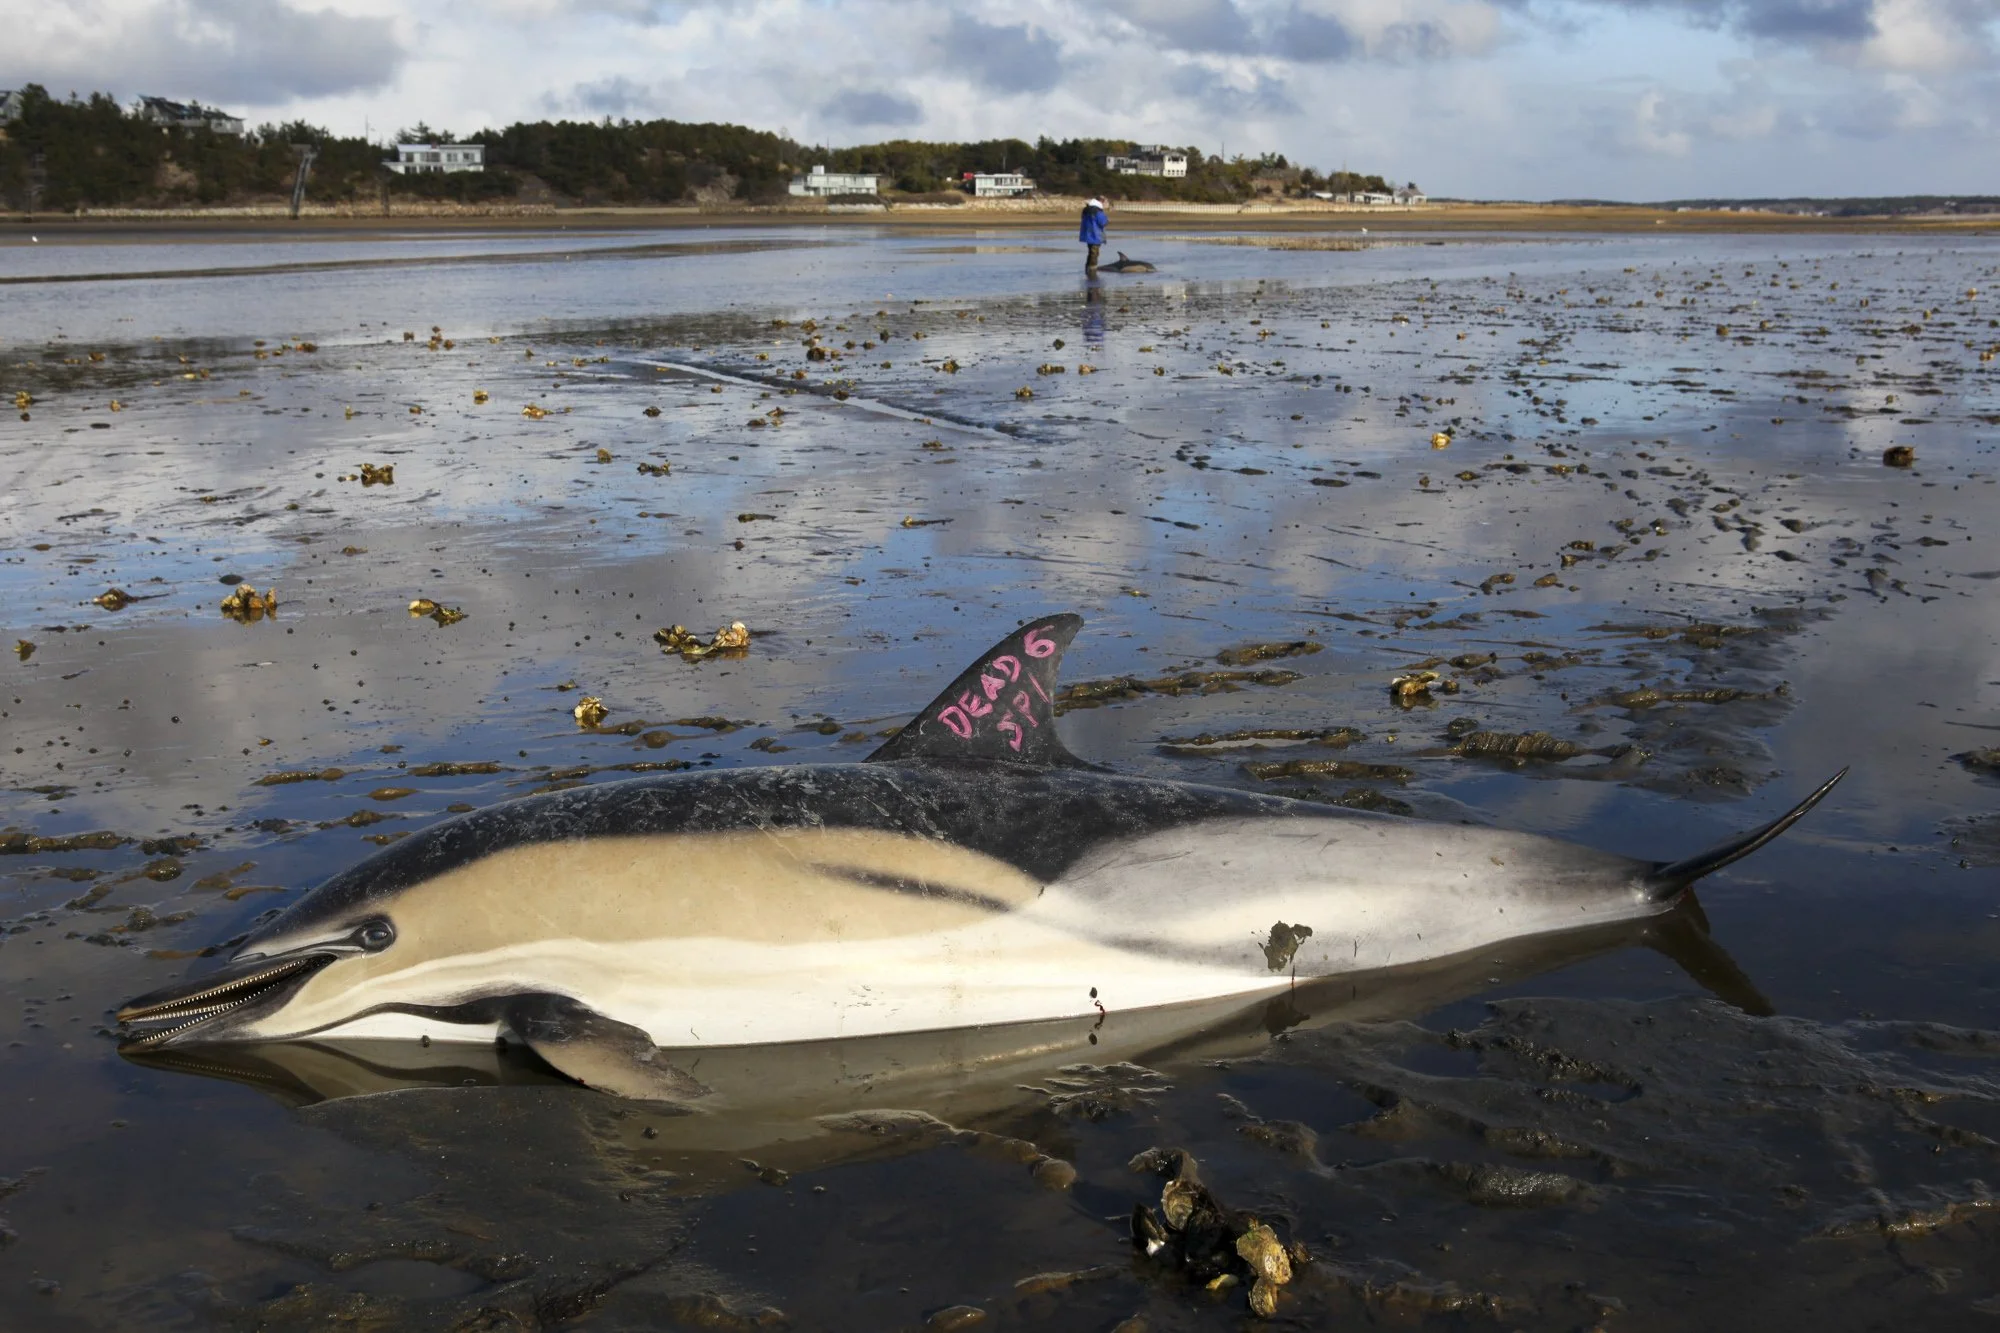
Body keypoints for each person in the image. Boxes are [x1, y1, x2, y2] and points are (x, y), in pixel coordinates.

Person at [1079, 196, 1108, 273]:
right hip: (1095, 234)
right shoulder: (1097, 211)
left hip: (1087, 233)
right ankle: (1092, 270)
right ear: (1101, 201)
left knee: (1090, 252)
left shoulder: (1086, 209)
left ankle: (1087, 270)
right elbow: (1103, 222)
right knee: (1094, 253)